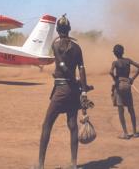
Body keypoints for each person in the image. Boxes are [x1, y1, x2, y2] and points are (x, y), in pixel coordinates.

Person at [37, 14, 90, 169]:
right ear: (69, 29)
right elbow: (82, 69)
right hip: (74, 91)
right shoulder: (77, 48)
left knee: (47, 125)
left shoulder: (56, 45)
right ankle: (73, 164)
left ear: (58, 29)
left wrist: (74, 82)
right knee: (72, 125)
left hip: (61, 89)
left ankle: (40, 165)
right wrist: (84, 90)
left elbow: (62, 67)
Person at [109, 44, 139, 139]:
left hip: (119, 85)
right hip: (127, 85)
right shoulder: (128, 61)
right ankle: (135, 132)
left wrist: (115, 78)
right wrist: (132, 79)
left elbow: (111, 72)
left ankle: (125, 133)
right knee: (131, 109)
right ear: (123, 52)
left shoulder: (115, 63)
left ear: (115, 53)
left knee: (121, 110)